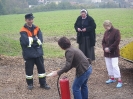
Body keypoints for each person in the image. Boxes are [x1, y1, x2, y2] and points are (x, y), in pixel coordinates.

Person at [19, 13, 50, 90]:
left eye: (32, 19)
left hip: (38, 53)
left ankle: (43, 83)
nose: (31, 21)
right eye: (29, 19)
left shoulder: (37, 28)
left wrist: (31, 40)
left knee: (41, 69)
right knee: (29, 70)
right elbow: (25, 42)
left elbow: (41, 40)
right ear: (26, 20)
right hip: (28, 54)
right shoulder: (23, 30)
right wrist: (35, 40)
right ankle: (30, 84)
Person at [102, 20, 122, 88]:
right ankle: (112, 78)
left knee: (115, 66)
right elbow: (103, 42)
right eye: (105, 27)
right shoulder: (106, 32)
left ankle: (119, 80)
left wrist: (110, 48)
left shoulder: (116, 31)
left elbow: (117, 41)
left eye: (107, 26)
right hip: (106, 53)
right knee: (109, 65)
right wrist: (105, 48)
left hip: (114, 52)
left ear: (110, 25)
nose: (106, 28)